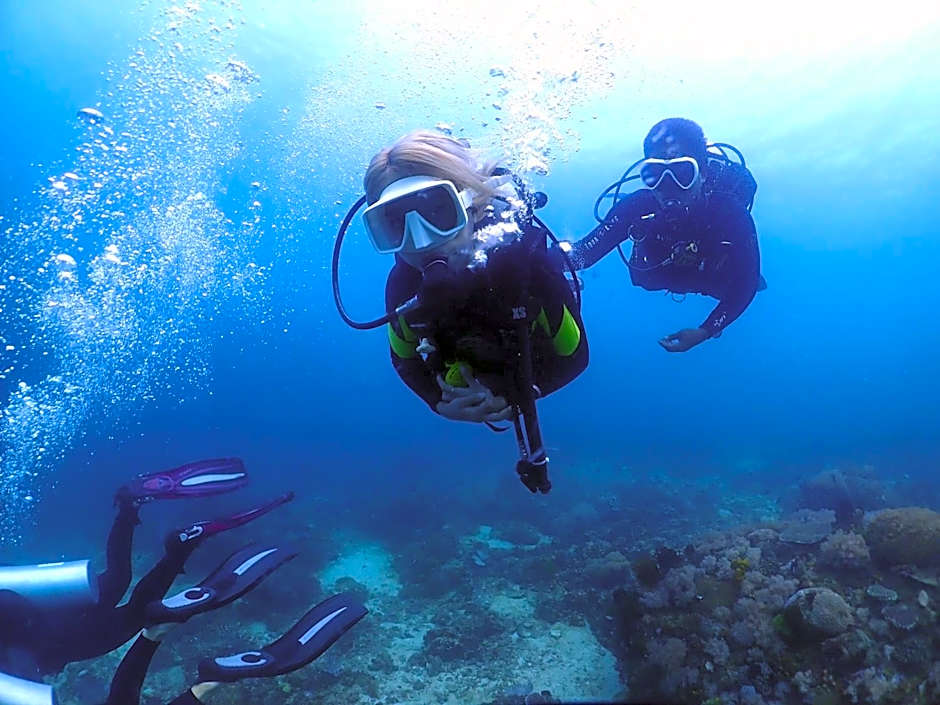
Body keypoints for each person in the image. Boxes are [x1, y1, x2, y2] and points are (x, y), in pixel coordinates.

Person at [0, 458, 367, 704]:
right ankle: (131, 509)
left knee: (132, 622)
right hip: (38, 606)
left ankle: (192, 665)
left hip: (39, 643)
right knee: (115, 581)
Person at [347, 129, 589, 493]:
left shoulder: (524, 267)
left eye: (437, 212)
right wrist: (438, 403)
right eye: (395, 224)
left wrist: (517, 396)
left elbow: (575, 356)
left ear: (472, 206)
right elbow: (404, 360)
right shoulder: (403, 285)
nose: (422, 240)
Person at [565, 117, 762, 352]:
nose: (668, 186)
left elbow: (747, 283)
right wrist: (531, 254)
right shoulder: (637, 207)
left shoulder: (731, 213)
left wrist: (705, 330)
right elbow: (583, 254)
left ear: (703, 173)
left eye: (682, 172)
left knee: (739, 282)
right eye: (655, 174)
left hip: (711, 280)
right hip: (659, 277)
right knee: (646, 278)